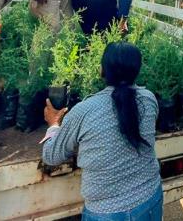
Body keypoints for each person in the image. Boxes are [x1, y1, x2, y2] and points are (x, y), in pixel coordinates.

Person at [42, 42, 162, 221]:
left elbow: (51, 155)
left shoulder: (85, 110)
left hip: (106, 212)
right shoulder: (148, 100)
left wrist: (53, 124)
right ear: (137, 70)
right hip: (150, 198)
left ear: (102, 71)